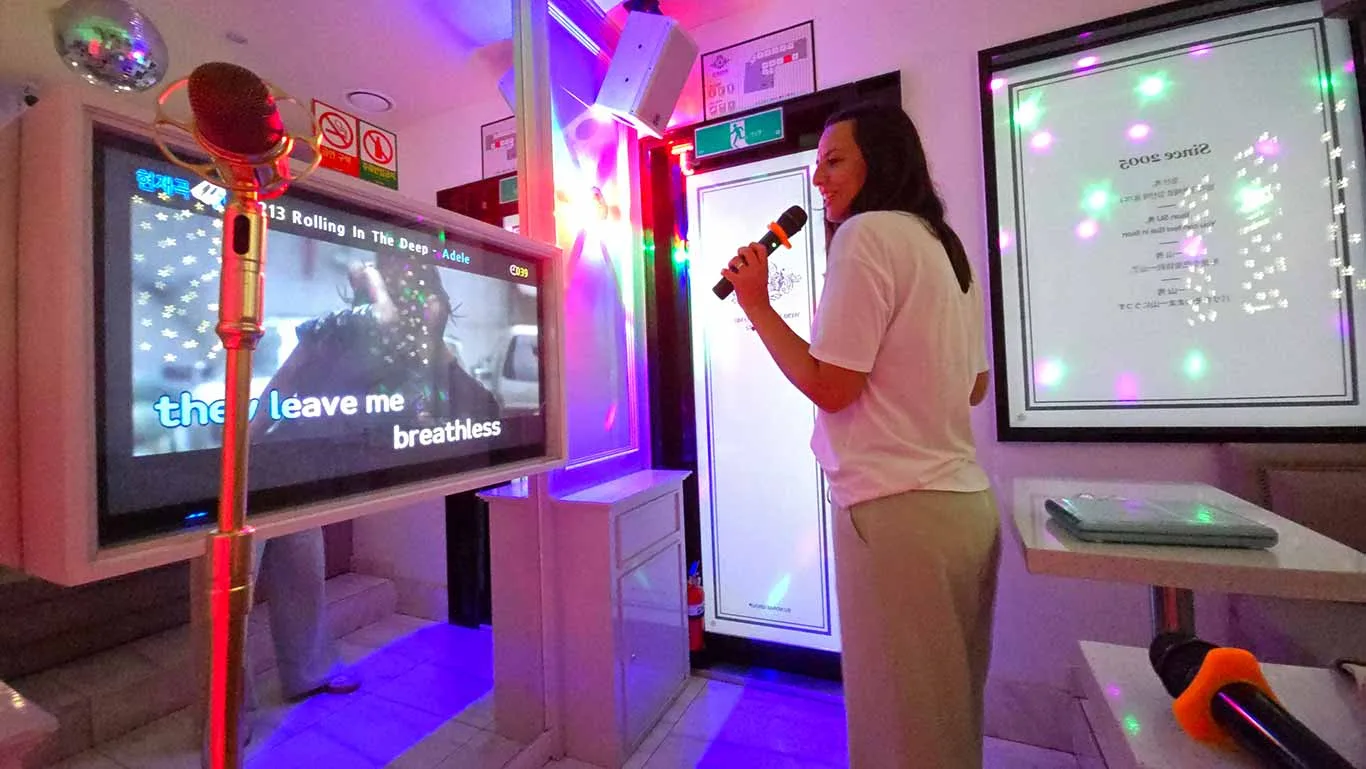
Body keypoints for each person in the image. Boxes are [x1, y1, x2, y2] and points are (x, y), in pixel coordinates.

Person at [722, 102, 1000, 769]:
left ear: (883, 160)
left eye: (834, 160)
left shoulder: (866, 234)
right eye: (817, 164)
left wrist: (757, 303)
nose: (819, 179)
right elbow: (974, 387)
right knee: (947, 726)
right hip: (965, 511)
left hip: (897, 517)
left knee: (899, 737)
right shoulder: (943, 244)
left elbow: (832, 386)